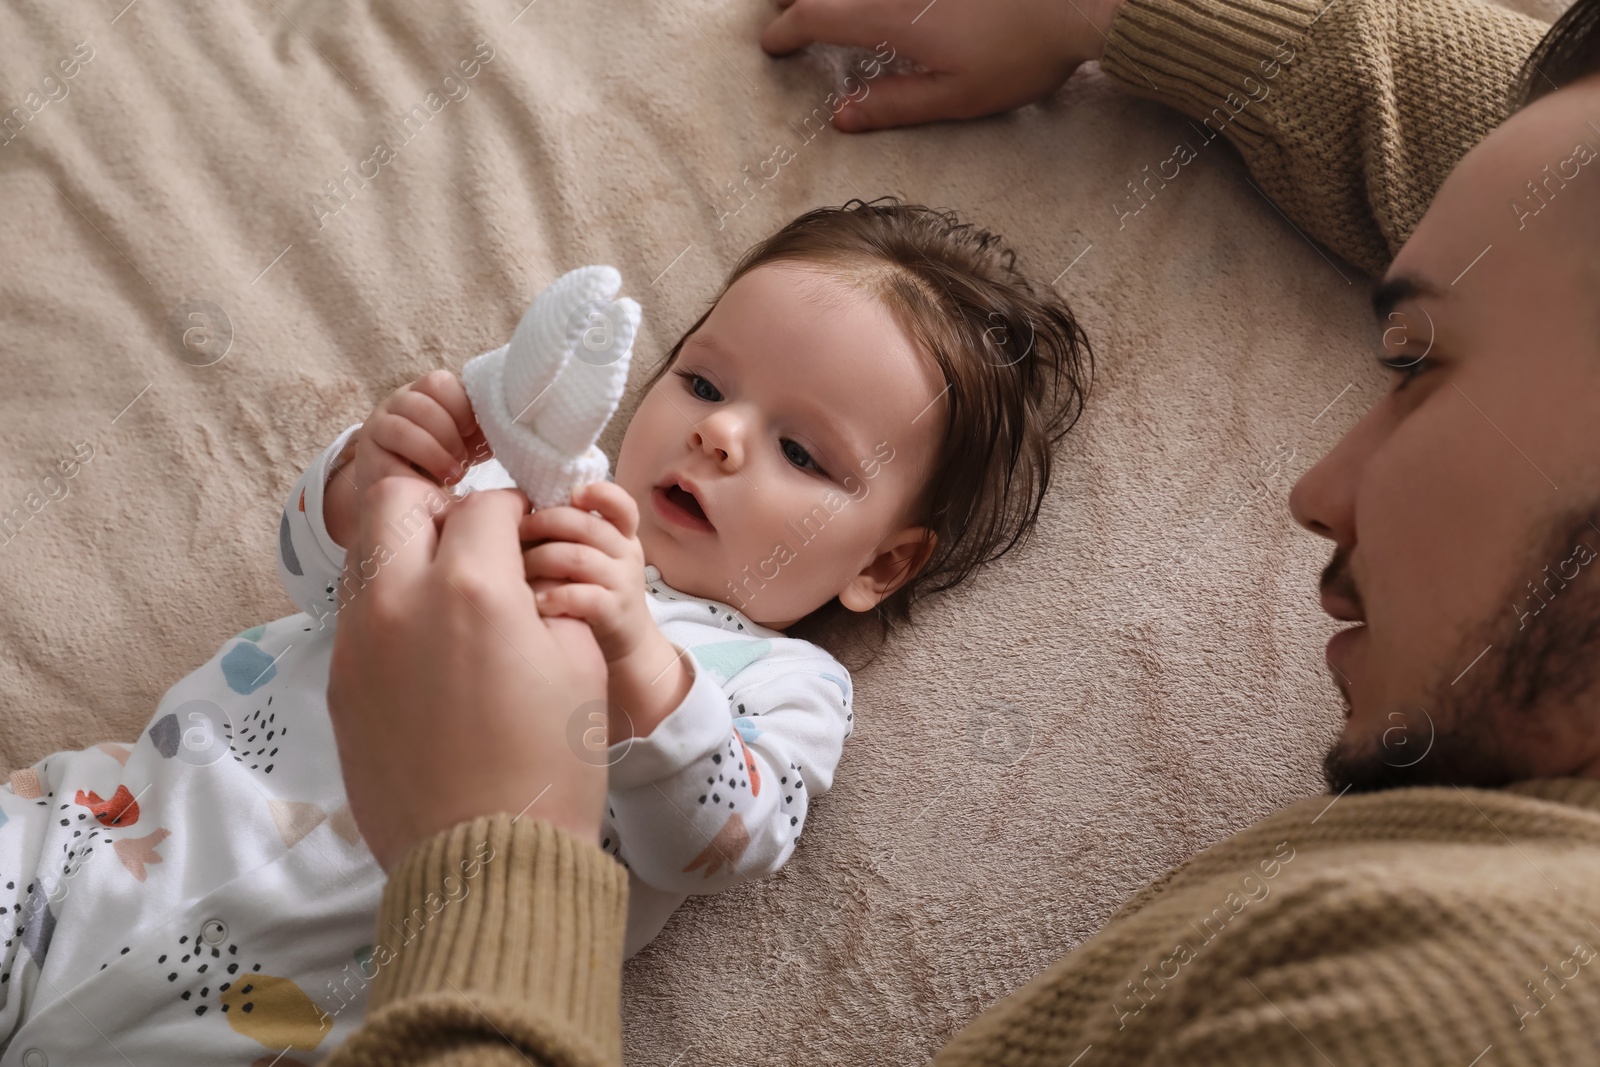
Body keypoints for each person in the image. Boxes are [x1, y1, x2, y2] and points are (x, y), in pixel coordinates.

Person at [325, 0, 1600, 1061]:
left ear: (883, 562)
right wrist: (376, 482)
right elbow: (324, 562)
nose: (1314, 490)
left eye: (1417, 366)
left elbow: (724, 827)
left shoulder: (772, 679)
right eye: (704, 384)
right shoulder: (558, 491)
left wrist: (502, 829)